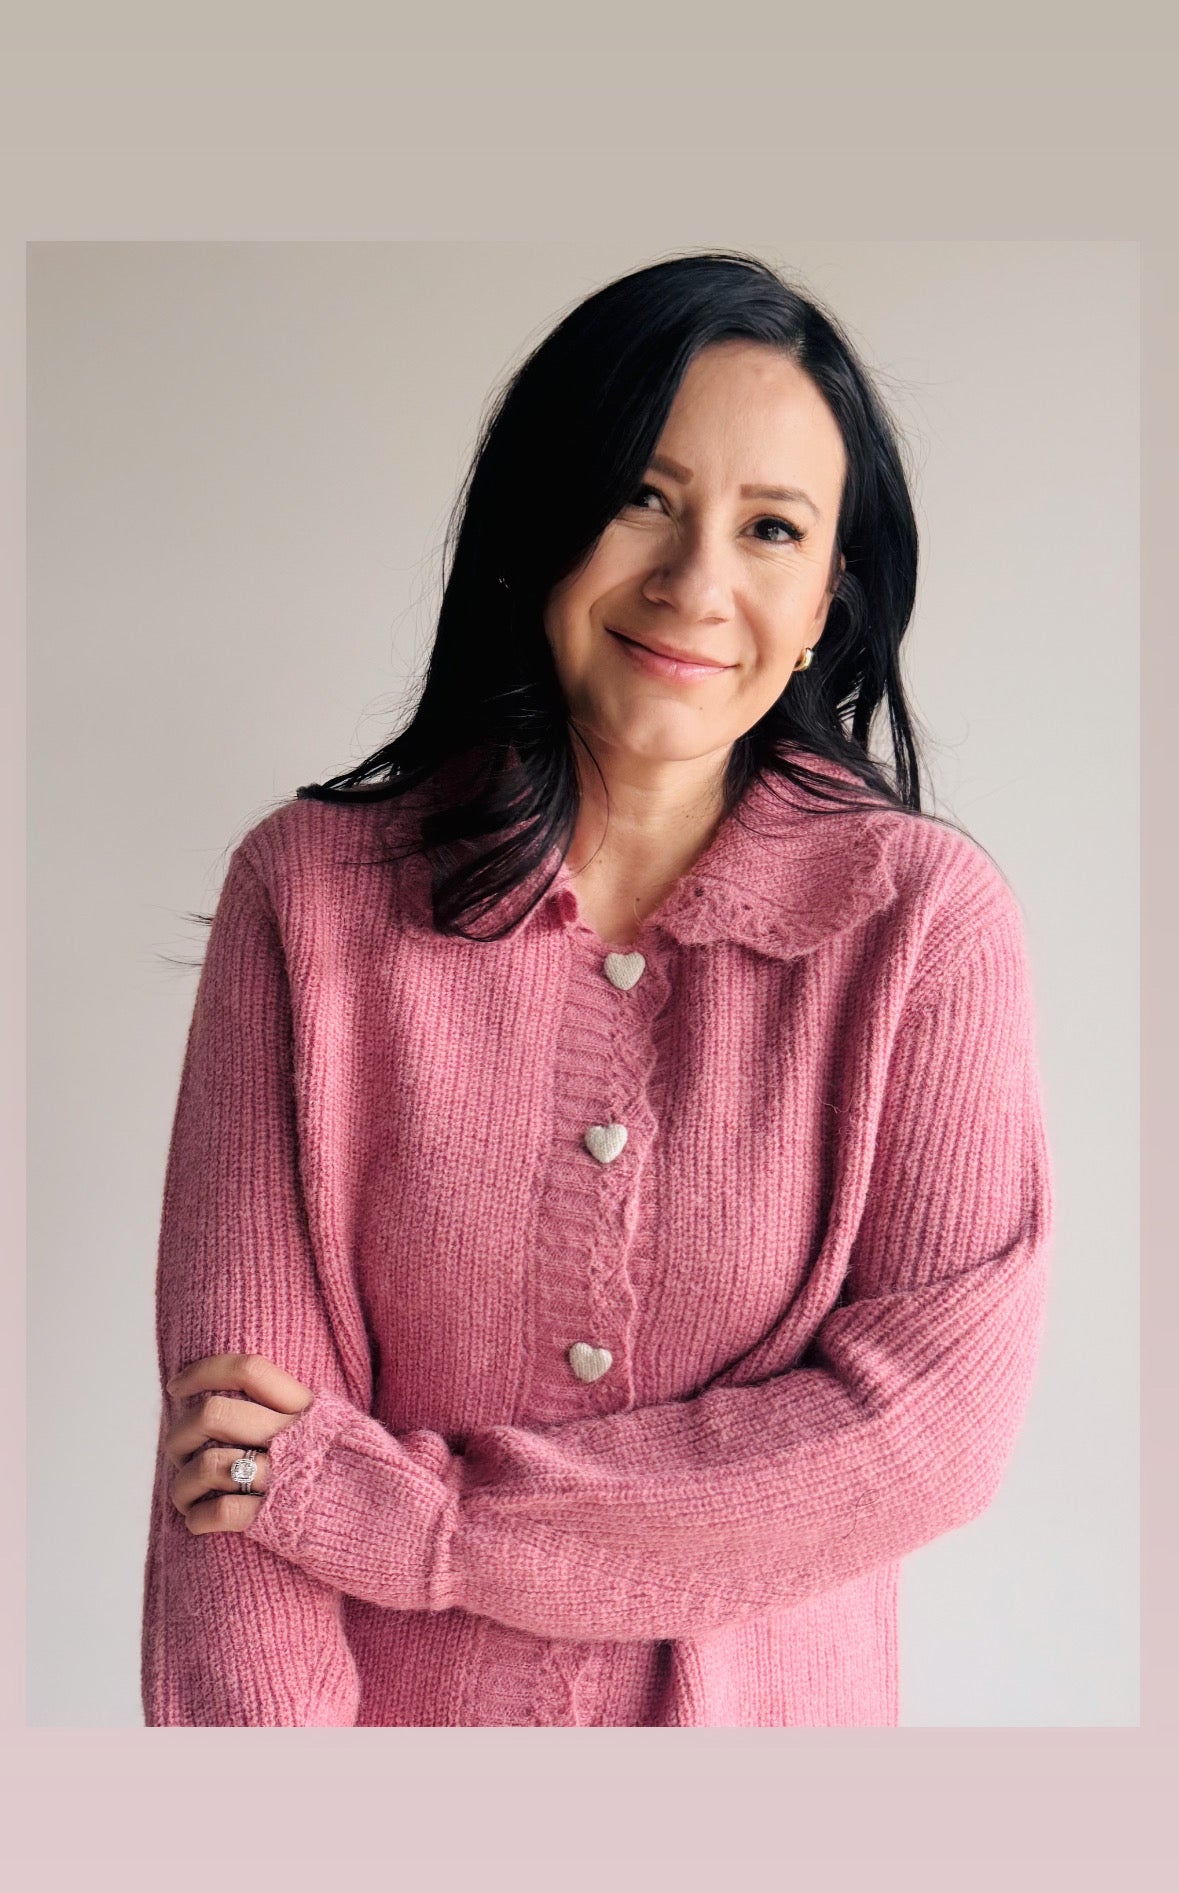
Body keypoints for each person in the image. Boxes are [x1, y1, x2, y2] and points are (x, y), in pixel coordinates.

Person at [140, 249, 1054, 1727]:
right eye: (643, 496)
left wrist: (432, 1528)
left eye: (771, 528)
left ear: (827, 601)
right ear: (540, 524)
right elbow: (237, 1463)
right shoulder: (307, 902)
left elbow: (923, 1435)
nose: (696, 584)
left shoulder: (923, 930)